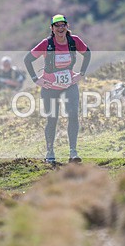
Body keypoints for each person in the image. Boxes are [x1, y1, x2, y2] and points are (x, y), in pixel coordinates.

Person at [24, 14, 91, 164]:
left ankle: (73, 153)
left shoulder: (74, 41)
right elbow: (27, 60)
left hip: (69, 85)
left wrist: (81, 74)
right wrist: (36, 79)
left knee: (73, 114)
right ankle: (50, 152)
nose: (60, 28)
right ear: (52, 28)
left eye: (63, 25)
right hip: (50, 87)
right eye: (57, 26)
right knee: (52, 118)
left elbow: (87, 54)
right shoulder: (46, 44)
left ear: (67, 27)